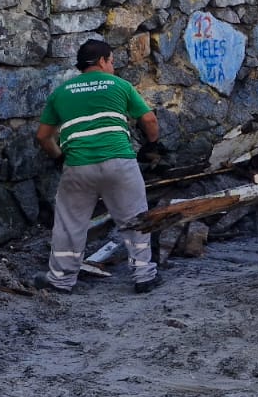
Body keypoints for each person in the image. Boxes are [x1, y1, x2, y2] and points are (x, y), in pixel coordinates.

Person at [34, 39, 162, 295]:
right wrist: (152, 144)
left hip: (79, 166)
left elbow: (42, 137)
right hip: (120, 162)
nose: (113, 66)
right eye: (112, 61)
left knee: (70, 223)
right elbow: (149, 119)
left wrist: (60, 158)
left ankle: (60, 280)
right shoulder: (120, 85)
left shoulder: (61, 92)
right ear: (103, 61)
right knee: (135, 218)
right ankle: (144, 276)